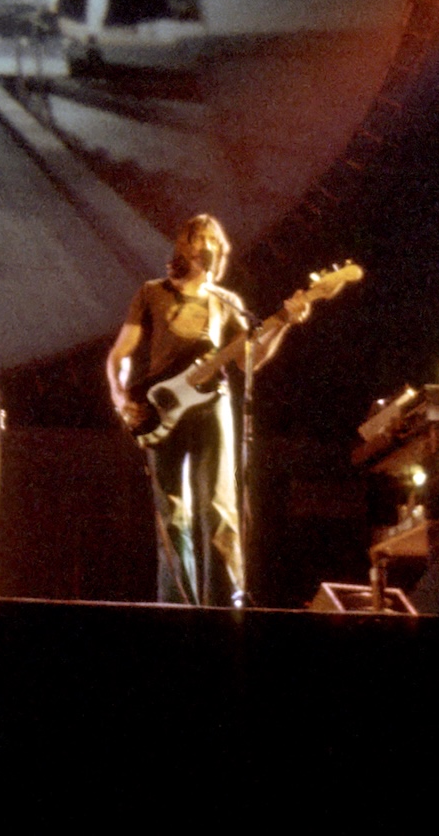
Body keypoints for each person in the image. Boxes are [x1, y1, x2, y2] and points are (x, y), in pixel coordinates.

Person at [106, 214, 302, 606]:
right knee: (172, 514)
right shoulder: (152, 292)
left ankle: (226, 605)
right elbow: (119, 355)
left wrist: (283, 323)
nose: (211, 246)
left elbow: (249, 359)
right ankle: (178, 608)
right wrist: (119, 396)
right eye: (202, 239)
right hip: (160, 409)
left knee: (220, 507)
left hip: (213, 407)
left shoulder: (227, 303)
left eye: (216, 240)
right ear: (187, 247)